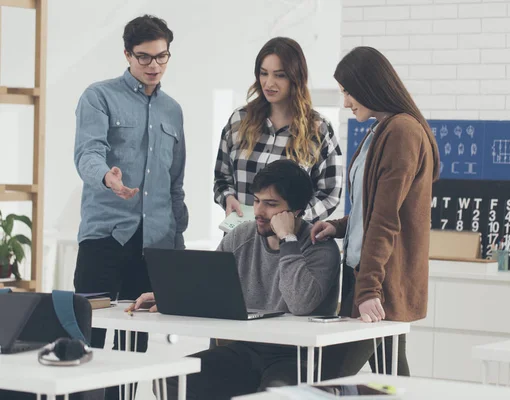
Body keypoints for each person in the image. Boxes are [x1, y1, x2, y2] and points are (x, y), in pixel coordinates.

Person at [128, 160, 341, 399]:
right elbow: (208, 284)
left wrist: (287, 239)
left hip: (297, 357)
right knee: (171, 380)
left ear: (297, 211)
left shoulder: (320, 247)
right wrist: (169, 297)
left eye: (271, 204)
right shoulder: (242, 235)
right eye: (257, 200)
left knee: (276, 396)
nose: (259, 211)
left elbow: (300, 303)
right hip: (246, 350)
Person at [73, 14, 188, 399]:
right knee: (92, 349)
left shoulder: (173, 110)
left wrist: (177, 247)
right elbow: (88, 153)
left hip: (154, 247)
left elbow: (176, 185)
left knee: (135, 354)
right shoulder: (99, 96)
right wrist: (109, 178)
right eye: (144, 58)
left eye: (162, 56)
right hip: (105, 241)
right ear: (127, 54)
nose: (154, 66)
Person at [312, 46, 440, 378]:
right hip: (367, 275)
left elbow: (386, 219)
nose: (345, 102)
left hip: (377, 280)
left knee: (329, 379)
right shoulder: (380, 130)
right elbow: (371, 207)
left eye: (348, 92)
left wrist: (369, 289)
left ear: (370, 85)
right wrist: (338, 226)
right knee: (392, 377)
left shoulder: (401, 132)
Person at [213, 36, 343, 222]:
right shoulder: (239, 121)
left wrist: (295, 218)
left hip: (289, 244)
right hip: (240, 239)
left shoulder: (318, 129)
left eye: (279, 75)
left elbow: (330, 194)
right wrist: (228, 198)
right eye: (264, 73)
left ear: (295, 77)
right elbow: (221, 177)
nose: (269, 83)